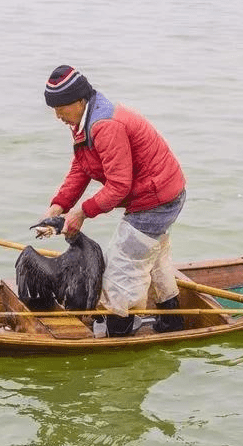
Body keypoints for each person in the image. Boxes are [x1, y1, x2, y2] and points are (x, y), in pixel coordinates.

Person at [41, 65, 187, 337]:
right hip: (164, 192)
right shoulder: (84, 120)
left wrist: (81, 213)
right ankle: (172, 320)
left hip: (155, 200)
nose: (57, 114)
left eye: (61, 107)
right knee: (155, 258)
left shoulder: (104, 125)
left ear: (79, 100)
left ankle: (119, 332)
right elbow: (82, 166)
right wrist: (59, 205)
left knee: (122, 269)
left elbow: (119, 186)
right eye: (54, 108)